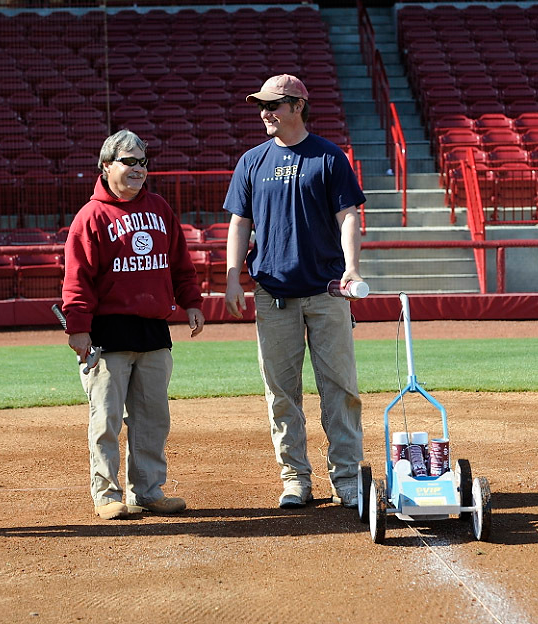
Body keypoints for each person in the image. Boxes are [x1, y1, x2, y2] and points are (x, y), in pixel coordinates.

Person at [223, 75, 366, 510]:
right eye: (262, 105)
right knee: (281, 393)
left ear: (298, 106)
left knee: (339, 389)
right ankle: (295, 479)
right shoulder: (252, 160)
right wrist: (232, 276)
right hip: (273, 296)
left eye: (274, 105)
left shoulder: (328, 156)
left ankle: (347, 479)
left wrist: (353, 268)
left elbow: (348, 216)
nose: (265, 112)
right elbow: (239, 223)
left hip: (327, 294)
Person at [61, 129, 205, 520]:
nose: (138, 169)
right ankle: (106, 494)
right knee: (106, 419)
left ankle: (147, 490)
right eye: (129, 161)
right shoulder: (90, 216)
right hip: (108, 334)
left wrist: (191, 301)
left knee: (152, 419)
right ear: (106, 166)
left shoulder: (160, 208)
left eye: (143, 162)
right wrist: (77, 325)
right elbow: (77, 277)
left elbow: (180, 262)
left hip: (154, 332)